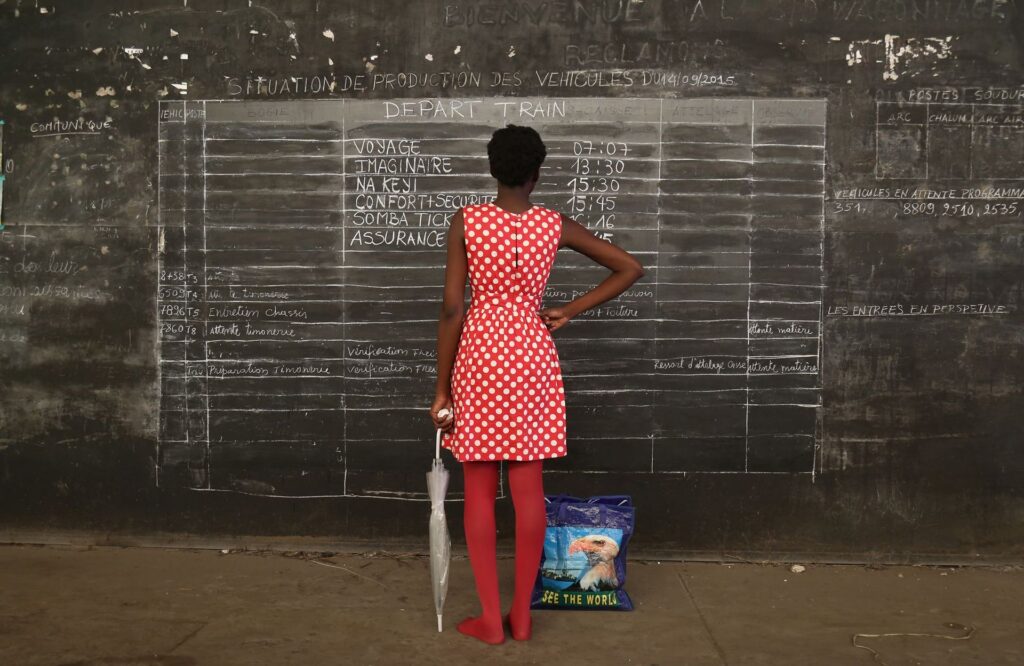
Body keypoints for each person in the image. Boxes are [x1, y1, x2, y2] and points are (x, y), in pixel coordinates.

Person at [430, 124, 645, 644]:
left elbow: (453, 308)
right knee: (529, 490)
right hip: (531, 356)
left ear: (492, 169)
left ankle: (489, 619)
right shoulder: (554, 224)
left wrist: (442, 390)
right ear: (536, 172)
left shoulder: (467, 221)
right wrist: (569, 310)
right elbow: (629, 267)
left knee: (479, 489)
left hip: (480, 355)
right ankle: (522, 617)